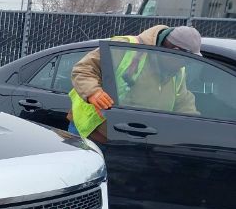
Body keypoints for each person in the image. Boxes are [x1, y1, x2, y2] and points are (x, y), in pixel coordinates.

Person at [67, 25, 202, 143]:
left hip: (127, 138)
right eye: (185, 60)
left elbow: (184, 103)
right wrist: (93, 93)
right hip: (89, 131)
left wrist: (195, 128)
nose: (185, 64)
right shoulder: (126, 47)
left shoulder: (177, 72)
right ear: (176, 51)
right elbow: (83, 69)